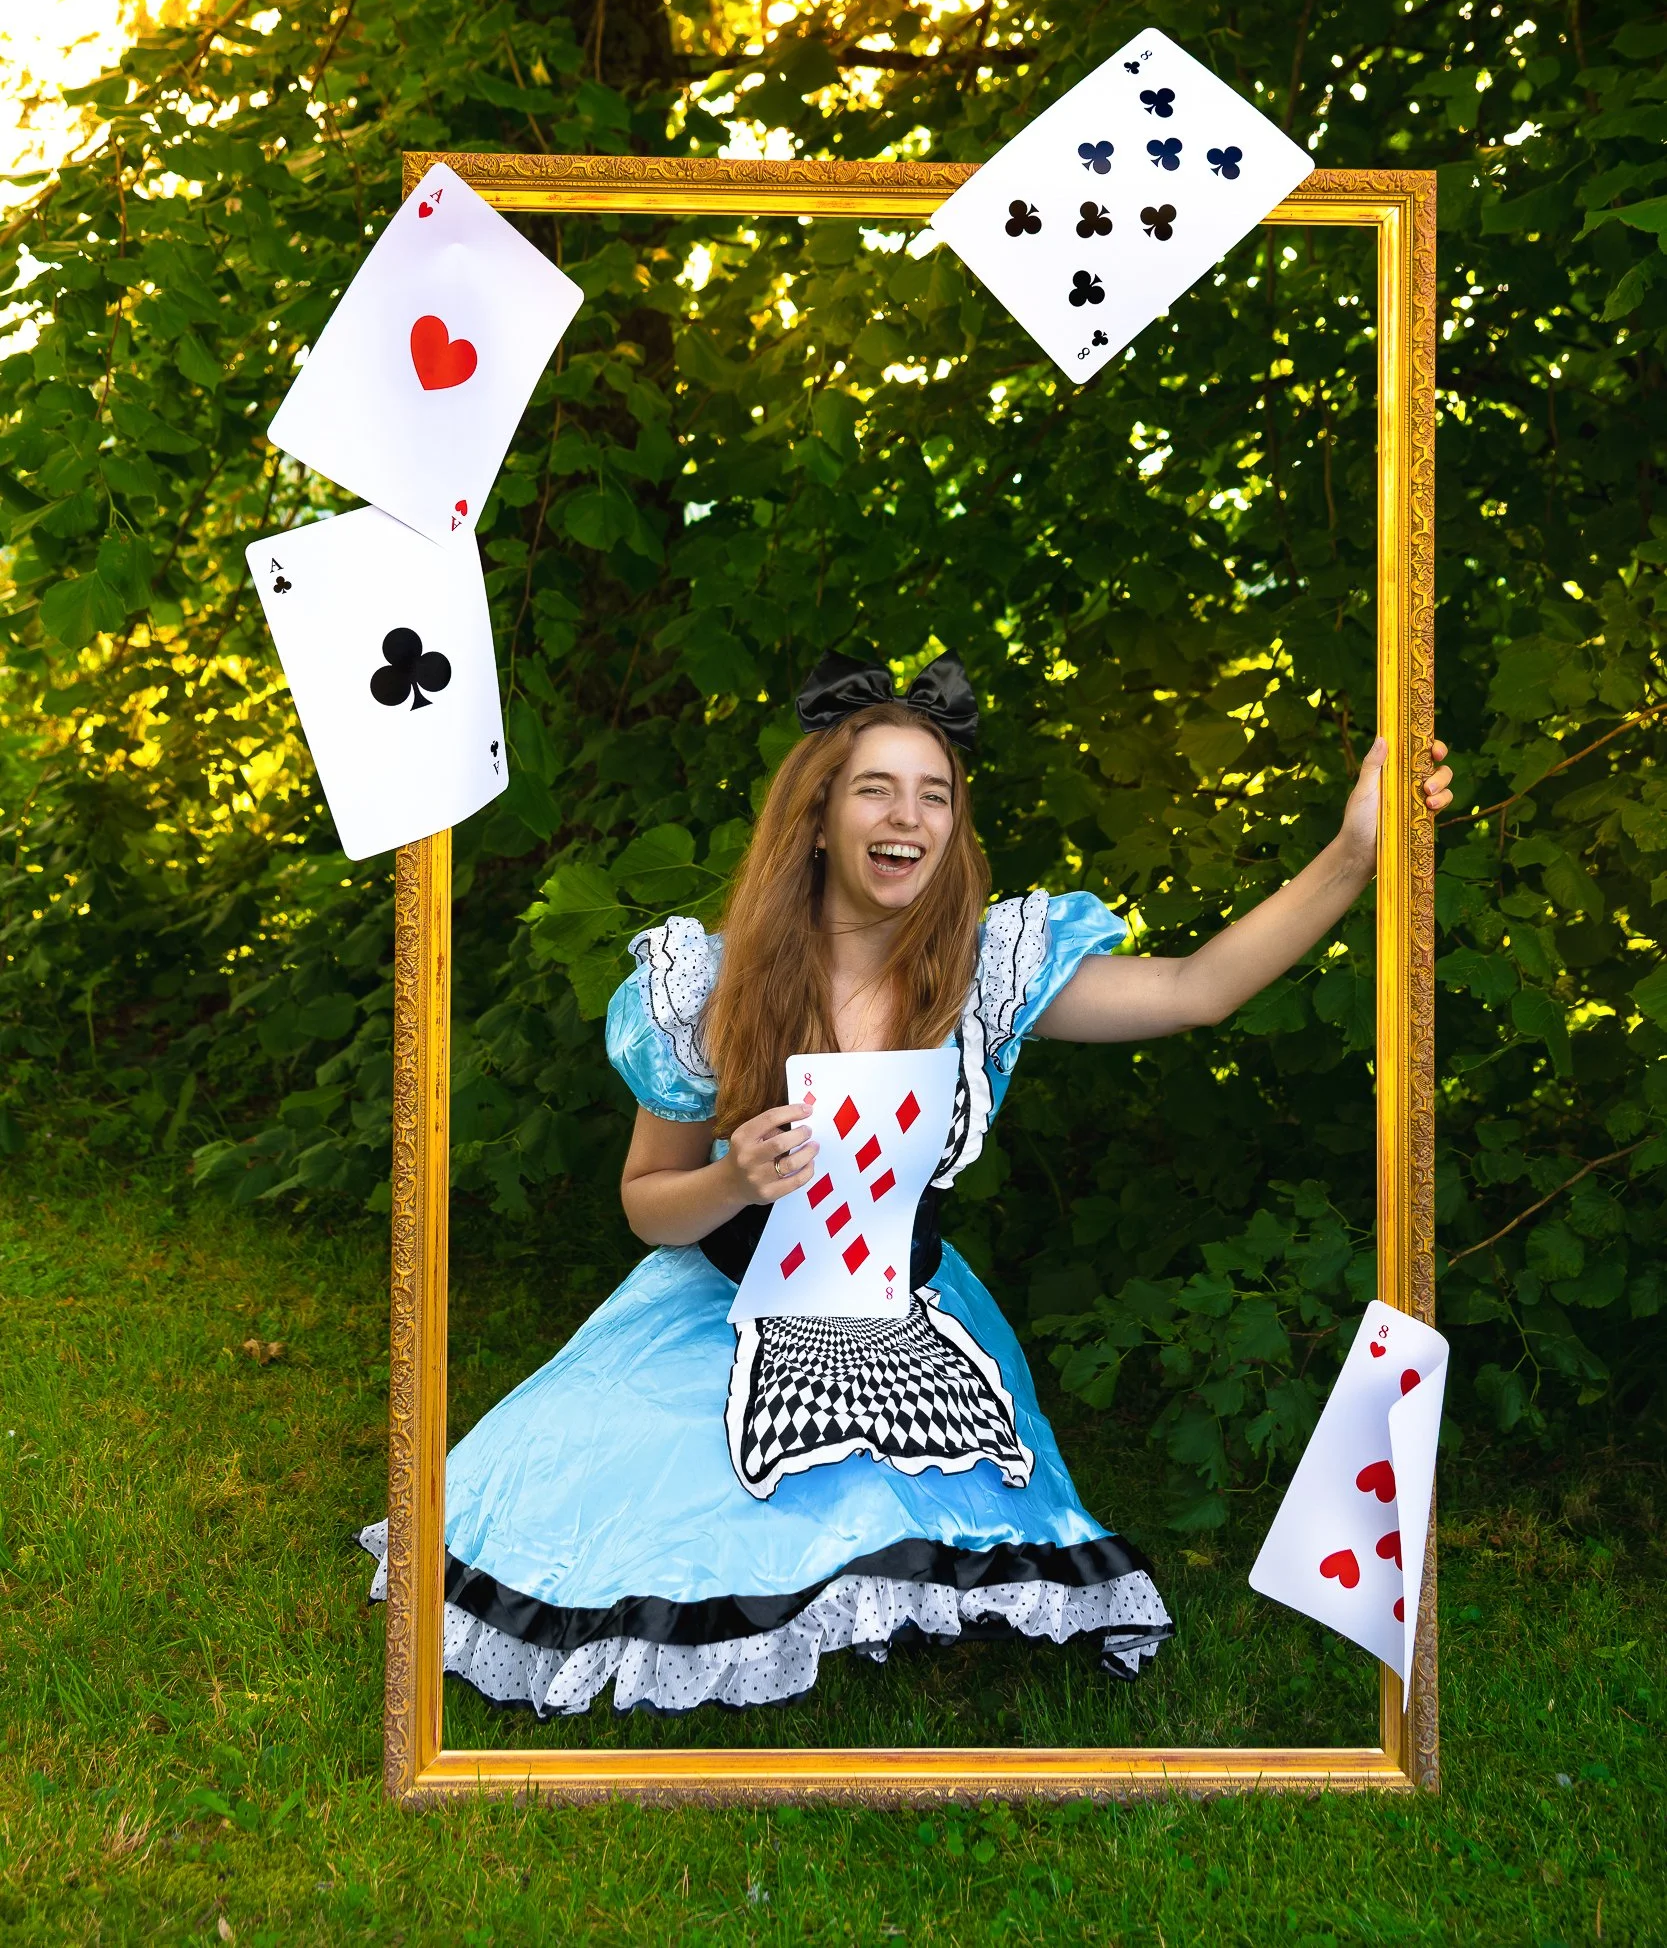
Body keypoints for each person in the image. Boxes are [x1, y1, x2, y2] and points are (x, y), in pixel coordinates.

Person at [360, 649, 1452, 1716]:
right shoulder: (710, 983)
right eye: (875, 788)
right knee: (653, 1512)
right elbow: (647, 1201)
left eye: (935, 794)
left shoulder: (978, 974)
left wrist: (1353, 854)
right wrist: (735, 1178)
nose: (908, 815)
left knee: (894, 1497)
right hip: (715, 1308)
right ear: (820, 817)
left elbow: (1193, 989)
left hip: (910, 1309)